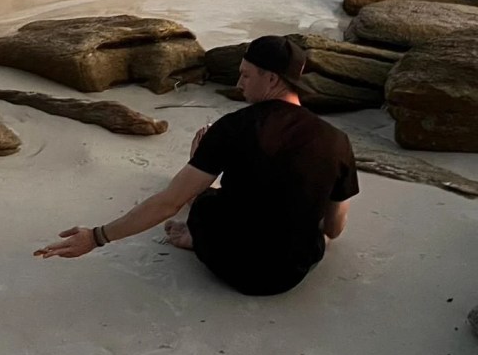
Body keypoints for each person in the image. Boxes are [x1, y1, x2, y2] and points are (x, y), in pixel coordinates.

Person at [35, 35, 359, 296]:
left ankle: (195, 234)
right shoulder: (337, 140)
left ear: (272, 78)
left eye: (246, 74)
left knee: (204, 202)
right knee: (298, 216)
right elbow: (334, 228)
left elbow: (167, 203)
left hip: (232, 265)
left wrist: (96, 237)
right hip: (292, 273)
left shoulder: (233, 127)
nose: (240, 83)